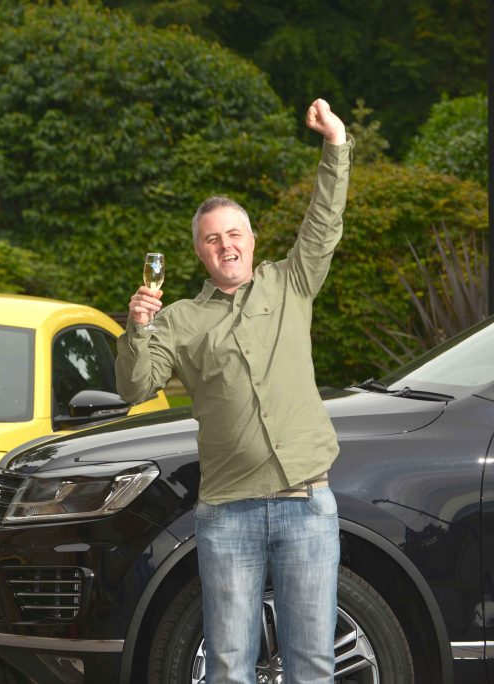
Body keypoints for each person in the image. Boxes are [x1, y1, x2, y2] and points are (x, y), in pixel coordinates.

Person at [115, 99, 351, 683]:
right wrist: (137, 329)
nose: (226, 245)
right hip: (227, 514)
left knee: (313, 664)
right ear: (199, 251)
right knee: (227, 667)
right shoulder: (178, 319)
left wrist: (336, 146)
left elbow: (324, 221)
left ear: (251, 237)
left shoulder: (290, 282)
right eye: (212, 238)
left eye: (235, 233)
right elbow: (135, 385)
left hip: (306, 503)